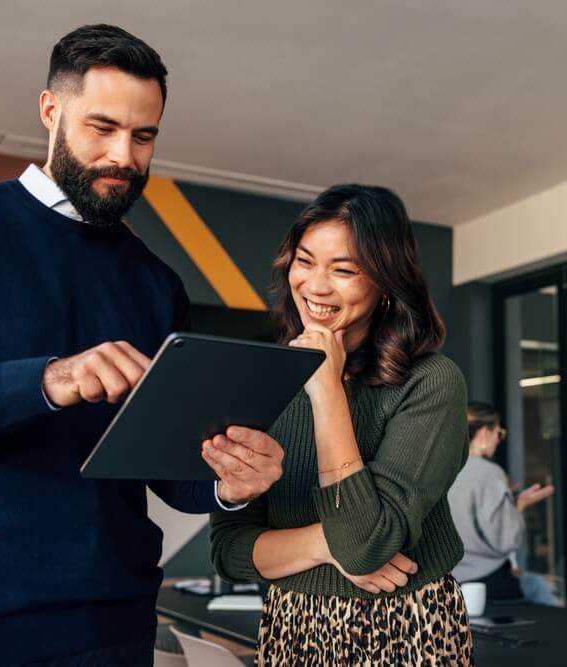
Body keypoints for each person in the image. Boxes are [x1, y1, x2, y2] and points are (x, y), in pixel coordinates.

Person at [0, 25, 284, 667]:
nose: (124, 155)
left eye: (144, 137)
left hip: (117, 630)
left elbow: (165, 467)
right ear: (51, 111)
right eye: (103, 127)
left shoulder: (156, 282)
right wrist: (49, 379)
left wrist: (230, 480)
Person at [208, 184, 474, 665]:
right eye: (305, 261)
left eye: (344, 270)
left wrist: (326, 388)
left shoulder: (431, 383)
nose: (315, 285)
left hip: (408, 631)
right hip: (292, 629)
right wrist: (320, 545)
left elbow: (365, 548)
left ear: (386, 283)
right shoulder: (258, 381)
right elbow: (229, 549)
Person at [447, 401, 557, 604]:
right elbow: (505, 540)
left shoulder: (443, 468)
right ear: (483, 433)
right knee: (537, 588)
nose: (499, 439)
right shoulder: (489, 473)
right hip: (486, 581)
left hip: (449, 580)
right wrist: (520, 505)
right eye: (498, 433)